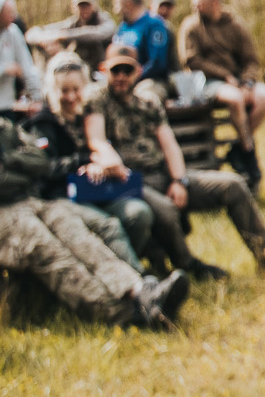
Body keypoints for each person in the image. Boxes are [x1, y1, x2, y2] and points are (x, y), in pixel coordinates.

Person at [86, 43, 265, 276]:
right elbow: (96, 139)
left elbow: (169, 145)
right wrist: (109, 158)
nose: (121, 77)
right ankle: (189, 265)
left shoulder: (148, 103)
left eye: (127, 71)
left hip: (162, 173)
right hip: (129, 180)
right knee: (167, 211)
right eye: (115, 70)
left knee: (233, 185)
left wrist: (179, 181)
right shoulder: (98, 100)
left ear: (137, 72)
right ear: (104, 70)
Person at [0, 100, 188, 329]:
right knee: (51, 253)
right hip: (5, 211)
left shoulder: (6, 127)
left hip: (32, 200)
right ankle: (126, 314)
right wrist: (21, 168)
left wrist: (10, 162)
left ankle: (141, 291)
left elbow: (40, 161)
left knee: (81, 238)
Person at [26, 52, 173, 272]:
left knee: (139, 213)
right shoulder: (43, 124)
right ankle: (138, 282)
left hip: (98, 191)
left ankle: (131, 267)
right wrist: (83, 162)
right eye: (63, 91)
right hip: (61, 197)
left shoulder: (89, 117)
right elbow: (45, 167)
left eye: (76, 89)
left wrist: (100, 165)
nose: (70, 97)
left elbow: (102, 147)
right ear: (52, 90)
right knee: (109, 225)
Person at [178, 0, 265, 183]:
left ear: (215, 4)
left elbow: (251, 59)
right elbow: (191, 61)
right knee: (236, 99)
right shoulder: (190, 27)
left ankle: (237, 147)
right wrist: (225, 75)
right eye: (194, 4)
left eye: (200, 5)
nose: (196, 9)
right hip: (205, 81)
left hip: (237, 80)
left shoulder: (234, 25)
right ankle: (248, 151)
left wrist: (247, 80)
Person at [26, 0, 115, 70]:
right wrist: (44, 40)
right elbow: (32, 33)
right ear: (74, 7)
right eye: (81, 6)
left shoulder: (104, 19)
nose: (84, 9)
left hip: (101, 69)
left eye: (87, 5)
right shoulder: (72, 23)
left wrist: (64, 35)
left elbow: (100, 33)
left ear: (95, 5)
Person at [111, 0, 175, 92]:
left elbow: (157, 63)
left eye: (117, 5)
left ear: (128, 4)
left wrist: (132, 78)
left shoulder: (154, 25)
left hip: (151, 81)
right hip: (122, 79)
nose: (115, 10)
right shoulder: (123, 27)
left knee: (142, 95)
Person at [0, 0, 42, 112]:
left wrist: (36, 98)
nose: (13, 17)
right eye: (9, 13)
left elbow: (27, 65)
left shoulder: (13, 32)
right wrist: (4, 68)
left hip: (8, 105)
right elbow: (7, 68)